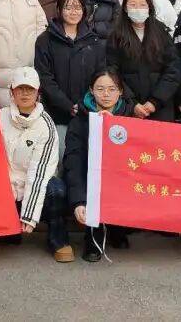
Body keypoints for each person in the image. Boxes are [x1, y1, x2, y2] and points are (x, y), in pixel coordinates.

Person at [0, 67, 74, 263]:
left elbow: (39, 174)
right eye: (20, 89)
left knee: (56, 189)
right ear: (11, 91)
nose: (24, 94)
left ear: (38, 92)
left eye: (29, 89)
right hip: (5, 188)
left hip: (34, 188)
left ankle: (58, 240)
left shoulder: (46, 126)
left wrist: (29, 215)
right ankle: (8, 229)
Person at [64, 68, 134, 262]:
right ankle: (93, 234)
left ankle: (118, 227)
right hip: (90, 179)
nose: (106, 94)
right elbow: (73, 162)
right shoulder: (79, 121)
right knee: (91, 174)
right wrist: (78, 201)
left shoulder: (131, 119)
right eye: (100, 89)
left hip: (120, 179)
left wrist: (112, 128)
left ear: (120, 91)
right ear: (91, 90)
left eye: (112, 89)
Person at [34, 0, 105, 145]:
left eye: (78, 7)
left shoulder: (93, 41)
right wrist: (67, 105)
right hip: (56, 113)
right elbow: (44, 78)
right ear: (59, 9)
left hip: (88, 112)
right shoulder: (45, 40)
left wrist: (86, 104)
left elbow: (100, 76)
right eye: (68, 7)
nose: (73, 12)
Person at [107, 0, 181, 122]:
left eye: (142, 5)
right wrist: (132, 103)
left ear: (149, 7)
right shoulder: (116, 35)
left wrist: (155, 101)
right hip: (128, 107)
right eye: (133, 5)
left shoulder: (161, 32)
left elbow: (173, 69)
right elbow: (112, 71)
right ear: (125, 8)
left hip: (161, 106)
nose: (138, 9)